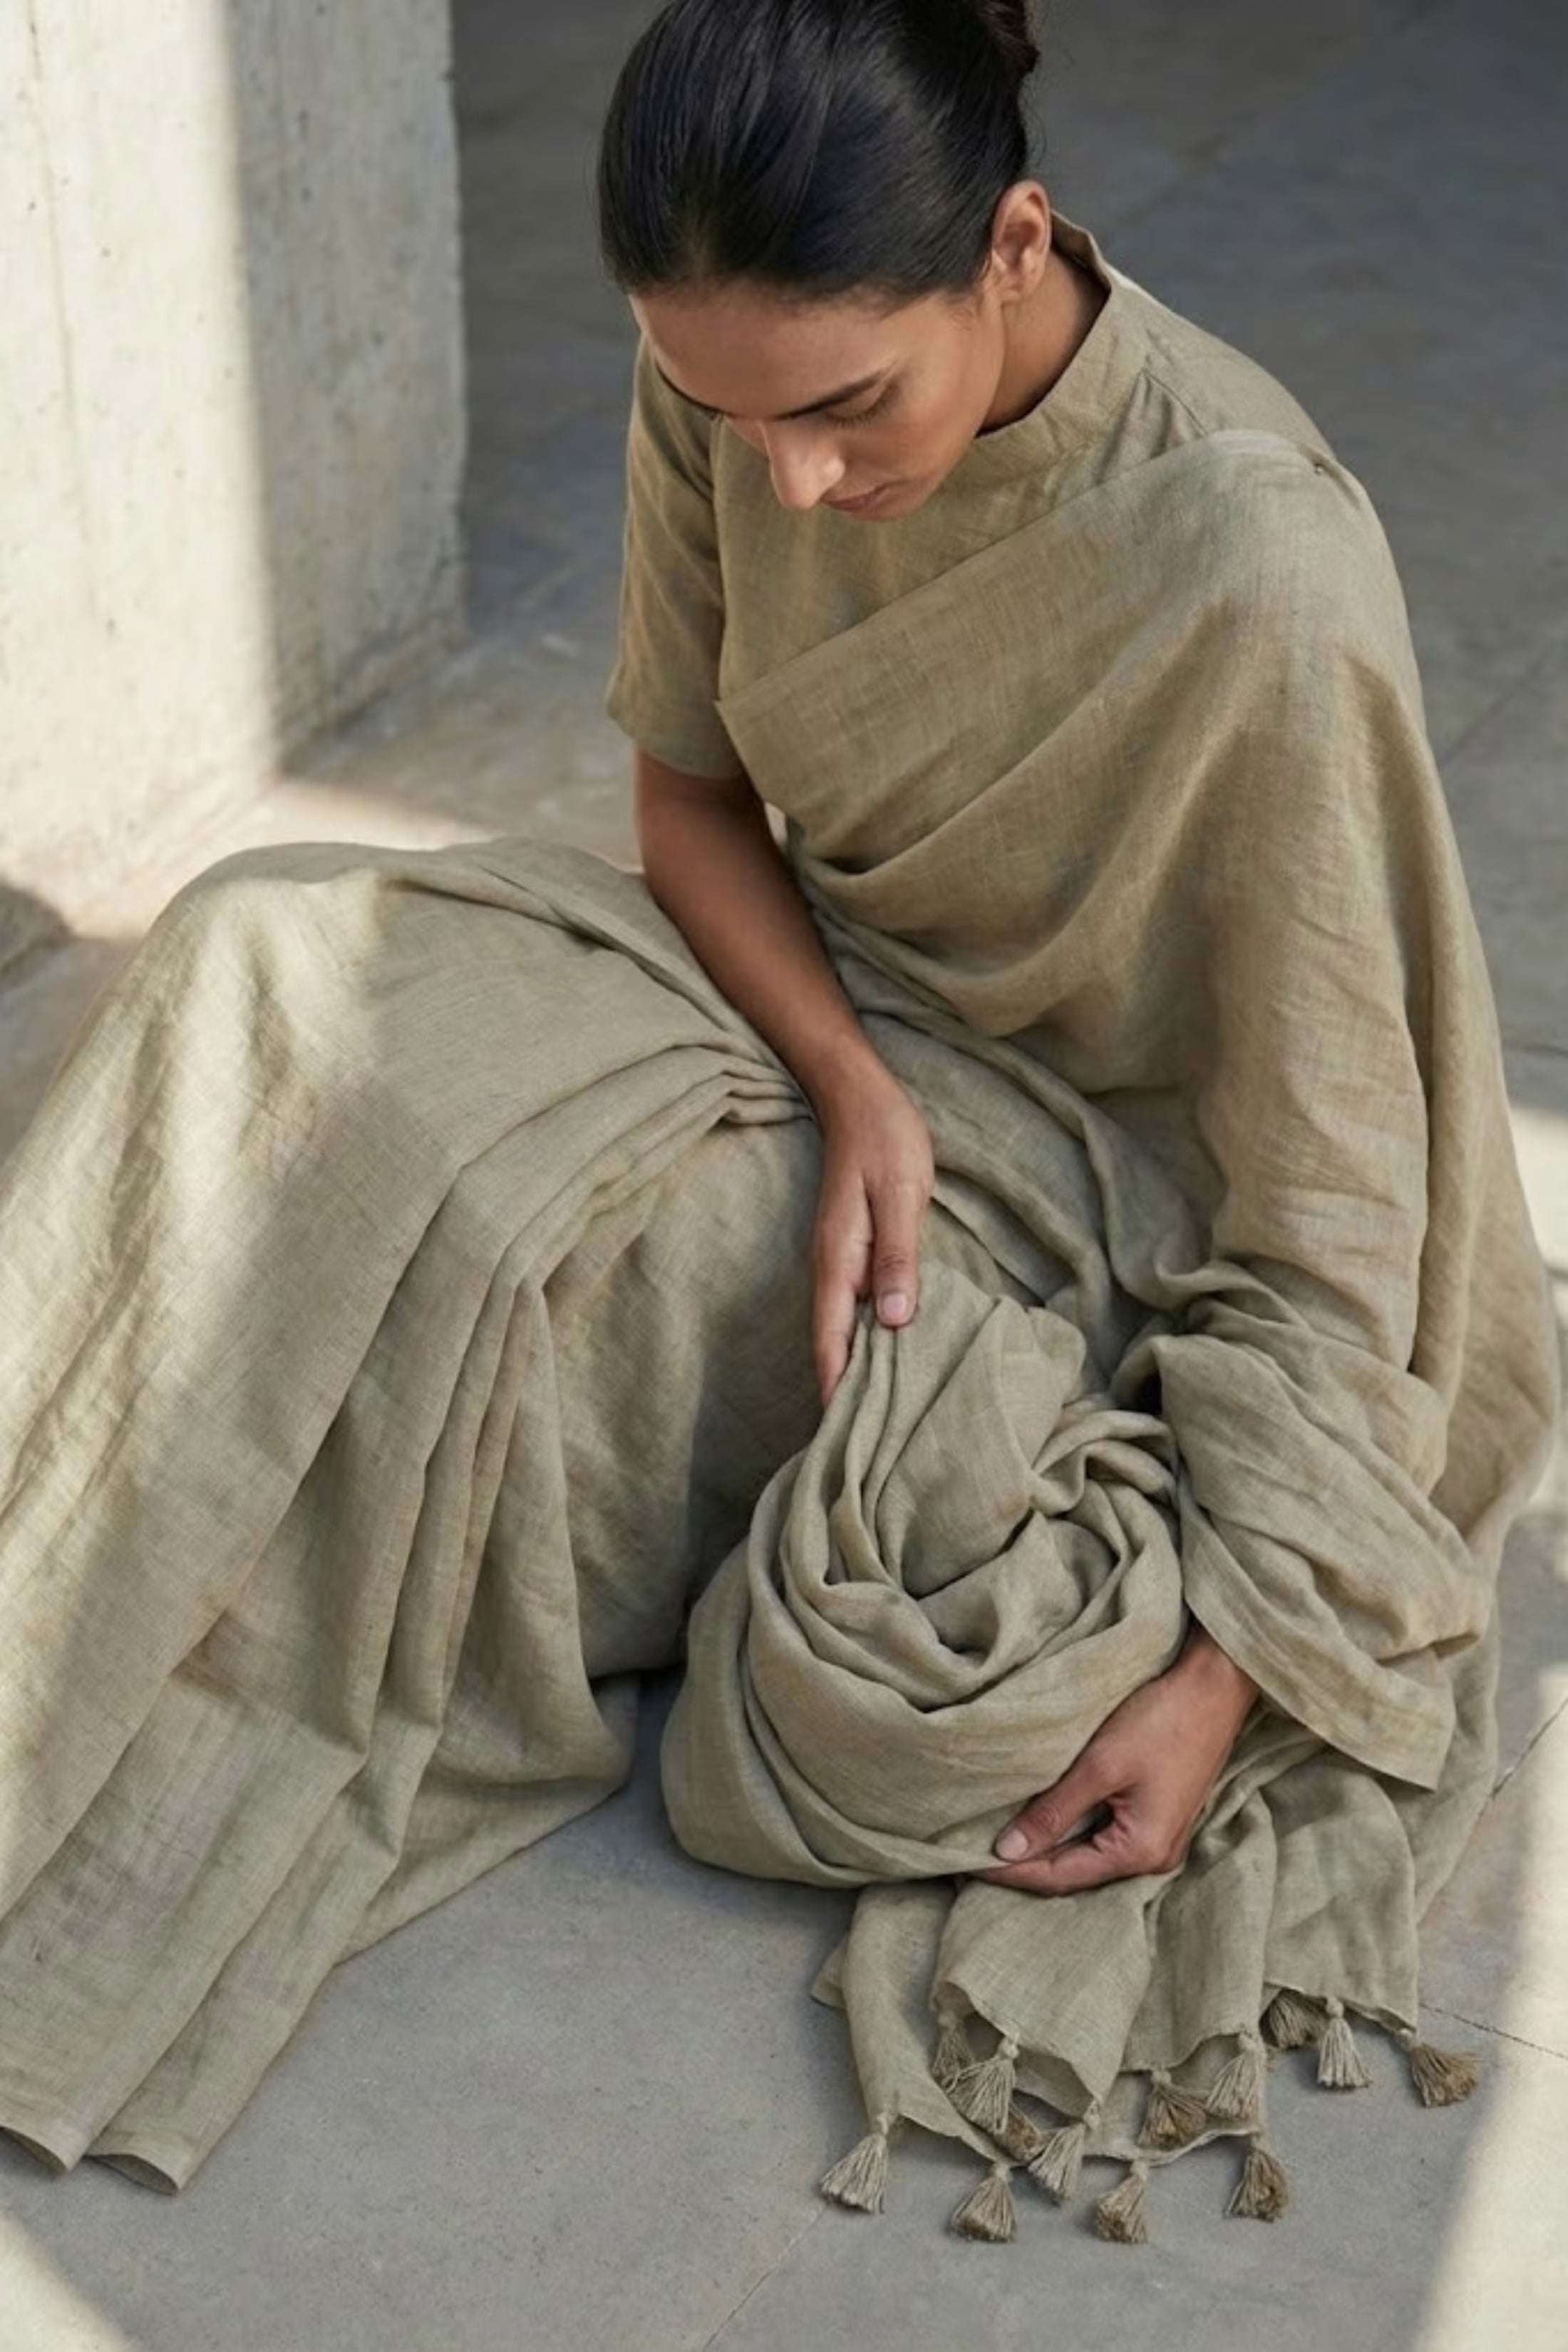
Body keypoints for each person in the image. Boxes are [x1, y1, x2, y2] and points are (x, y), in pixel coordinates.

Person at [0, 0, 1556, 2237]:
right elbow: (686, 783)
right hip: (801, 1011)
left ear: (1013, 244)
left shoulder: (1251, 566)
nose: (795, 475)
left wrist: (1231, 1673)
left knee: (511, 1308)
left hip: (1071, 1183)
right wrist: (845, 1086)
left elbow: (1332, 1207)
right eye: (746, 417)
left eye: (847, 407)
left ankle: (119, 1736)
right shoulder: (725, 375)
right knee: (256, 963)